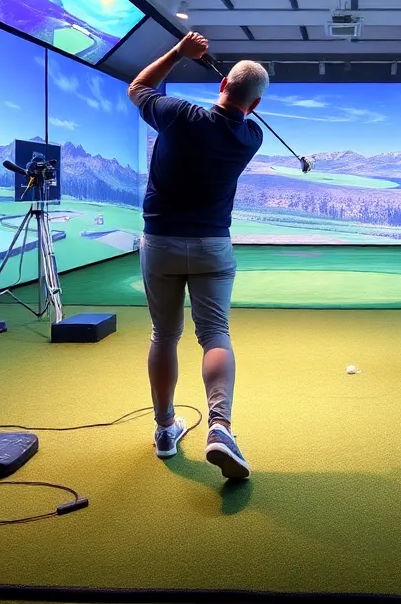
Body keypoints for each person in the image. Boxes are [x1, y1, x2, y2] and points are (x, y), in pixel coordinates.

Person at [127, 32, 268, 480]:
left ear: (222, 82)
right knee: (215, 334)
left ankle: (166, 429)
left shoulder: (178, 114)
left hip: (162, 242)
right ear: (256, 104)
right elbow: (238, 111)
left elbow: (138, 88)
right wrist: (242, 100)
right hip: (213, 245)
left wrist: (178, 54)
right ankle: (220, 426)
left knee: (163, 335)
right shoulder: (252, 136)